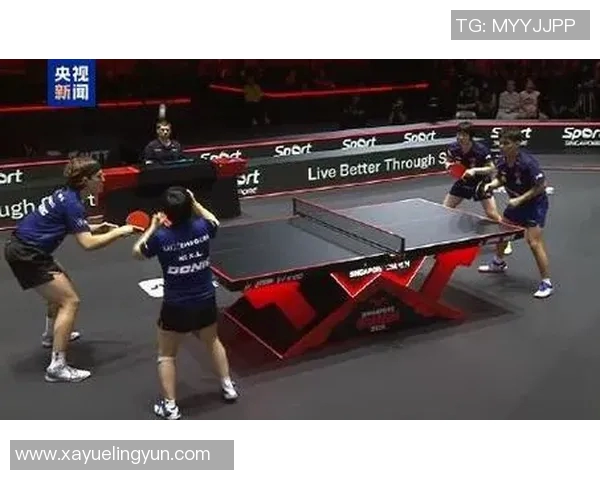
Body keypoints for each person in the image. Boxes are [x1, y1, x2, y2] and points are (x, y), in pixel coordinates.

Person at [3, 156, 137, 382]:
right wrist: (119, 232)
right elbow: (88, 244)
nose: (103, 179)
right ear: (85, 180)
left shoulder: (65, 195)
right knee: (70, 301)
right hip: (28, 254)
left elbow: (66, 224)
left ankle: (49, 336)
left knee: (61, 285)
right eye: (98, 176)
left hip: (25, 248)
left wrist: (95, 227)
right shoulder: (73, 203)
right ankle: (57, 367)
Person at [132, 187, 238, 420]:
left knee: (166, 355)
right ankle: (228, 386)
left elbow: (137, 252)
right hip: (205, 298)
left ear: (165, 213)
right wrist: (195, 203)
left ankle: (170, 407)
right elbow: (214, 221)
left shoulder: (161, 237)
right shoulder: (202, 228)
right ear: (189, 207)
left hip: (176, 305)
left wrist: (153, 226)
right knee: (212, 341)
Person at [478, 129, 553, 299]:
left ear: (517, 144)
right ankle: (498, 262)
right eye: (500, 143)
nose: (502, 146)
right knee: (502, 234)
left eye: (506, 143)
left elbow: (541, 185)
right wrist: (491, 185)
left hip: (534, 205)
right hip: (516, 204)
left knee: (533, 242)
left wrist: (519, 200)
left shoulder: (528, 163)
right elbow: (502, 179)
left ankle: (546, 283)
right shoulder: (502, 161)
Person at [443, 122, 512, 255]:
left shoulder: (481, 150)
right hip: (463, 180)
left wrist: (475, 170)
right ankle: (449, 240)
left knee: (491, 214)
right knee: (445, 208)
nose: (460, 137)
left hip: (481, 183)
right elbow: (448, 160)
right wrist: (448, 165)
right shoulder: (453, 147)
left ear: (470, 136)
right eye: (459, 134)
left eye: (464, 135)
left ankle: (505, 239)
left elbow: (491, 168)